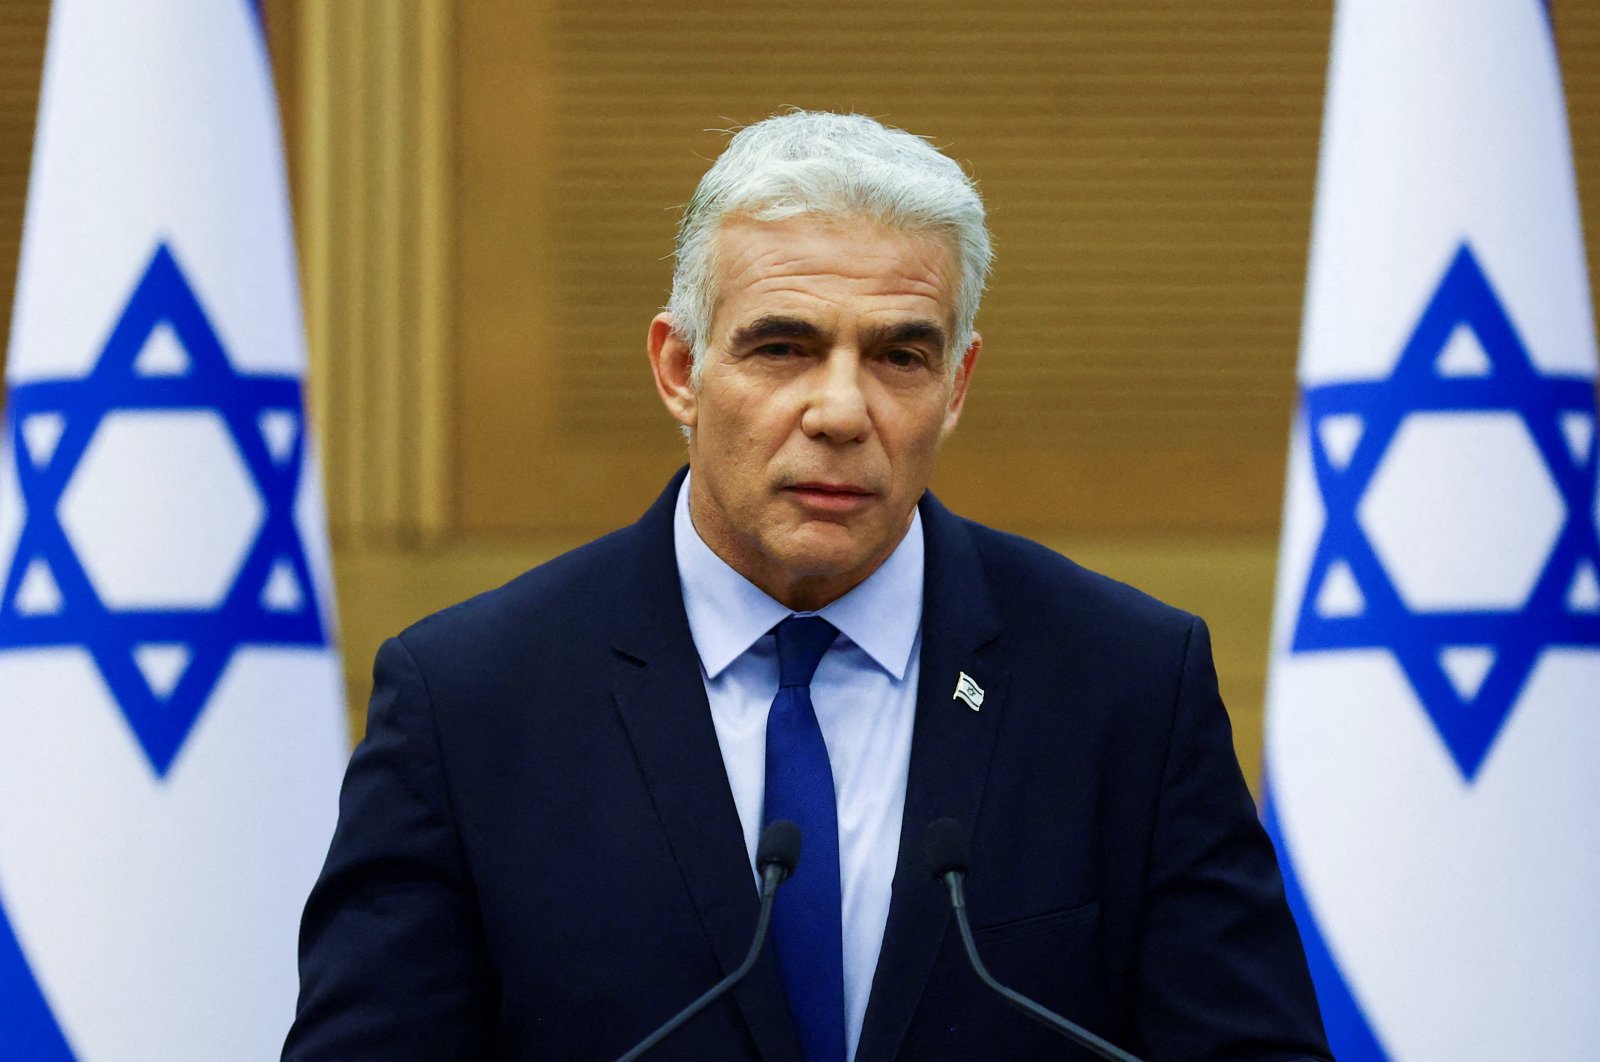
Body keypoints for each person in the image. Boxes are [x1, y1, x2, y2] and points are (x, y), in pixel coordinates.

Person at [283, 110, 1329, 1061]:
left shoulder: (1125, 687)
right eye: (782, 348)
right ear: (679, 369)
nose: (840, 410)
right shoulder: (471, 699)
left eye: (899, 356)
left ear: (955, 385)